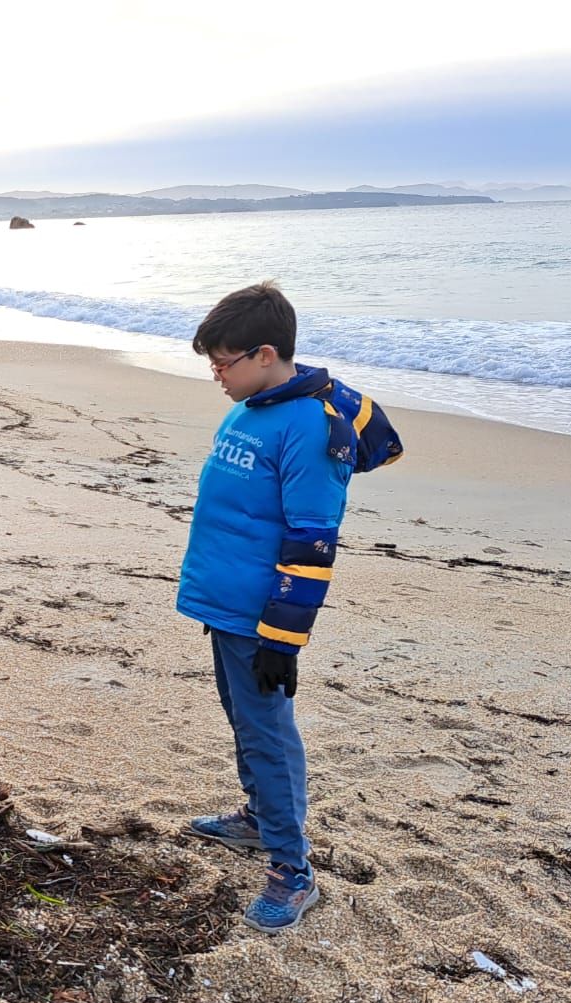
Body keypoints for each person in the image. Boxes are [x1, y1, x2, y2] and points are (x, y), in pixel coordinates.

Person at [179, 282, 402, 934]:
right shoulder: (250, 407)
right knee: (245, 723)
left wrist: (282, 638)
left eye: (224, 363)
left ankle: (292, 871)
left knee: (270, 738)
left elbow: (312, 542)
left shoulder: (308, 429)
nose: (216, 376)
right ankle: (256, 820)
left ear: (266, 353)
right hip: (226, 605)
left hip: (261, 618)